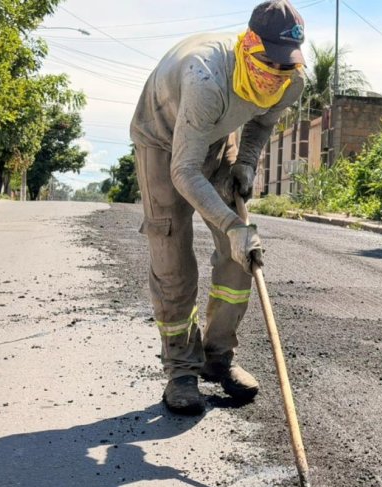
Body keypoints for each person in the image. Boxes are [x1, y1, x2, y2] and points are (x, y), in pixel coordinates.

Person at [130, 1, 306, 415]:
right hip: (162, 140)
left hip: (216, 135)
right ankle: (181, 370)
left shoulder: (291, 80)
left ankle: (218, 357)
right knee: (172, 253)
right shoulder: (206, 76)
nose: (274, 76)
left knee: (241, 256)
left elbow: (262, 121)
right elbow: (184, 170)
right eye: (268, 62)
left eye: (285, 66)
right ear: (247, 44)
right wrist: (230, 223)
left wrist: (245, 162)